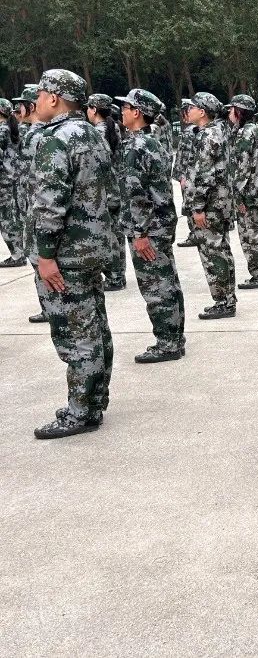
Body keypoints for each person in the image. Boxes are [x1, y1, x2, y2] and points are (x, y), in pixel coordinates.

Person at [30, 70, 115, 439]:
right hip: (92, 248)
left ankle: (81, 412)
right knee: (95, 327)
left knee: (76, 333)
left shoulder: (56, 139)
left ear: (53, 98)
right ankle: (94, 401)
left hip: (65, 253)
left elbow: (50, 205)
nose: (36, 101)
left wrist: (45, 255)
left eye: (40, 94)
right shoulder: (93, 134)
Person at [116, 88, 186, 363]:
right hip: (161, 223)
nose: (121, 112)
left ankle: (167, 343)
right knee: (168, 282)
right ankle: (175, 338)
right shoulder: (153, 142)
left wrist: (139, 232)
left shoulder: (136, 146)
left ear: (137, 113)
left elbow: (138, 195)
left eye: (126, 108)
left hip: (149, 228)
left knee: (156, 287)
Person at [185, 92, 237, 319]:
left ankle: (223, 301)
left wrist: (198, 208)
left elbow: (205, 175)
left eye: (192, 107)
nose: (188, 111)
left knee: (213, 253)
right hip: (220, 203)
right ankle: (228, 299)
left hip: (210, 205)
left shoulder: (208, 135)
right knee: (222, 250)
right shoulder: (218, 131)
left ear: (202, 112)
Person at [226, 94, 258, 289]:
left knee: (250, 236)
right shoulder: (252, 130)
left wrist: (238, 196)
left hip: (248, 193)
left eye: (232, 109)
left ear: (239, 111)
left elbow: (242, 168)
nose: (229, 113)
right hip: (254, 191)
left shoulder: (245, 133)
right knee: (257, 234)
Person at [13, 85, 49, 322]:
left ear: (31, 107)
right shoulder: (44, 132)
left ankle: (50, 308)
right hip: (37, 206)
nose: (18, 110)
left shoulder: (35, 135)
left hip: (36, 209)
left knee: (39, 260)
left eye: (21, 106)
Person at [87, 93, 127, 290]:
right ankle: (119, 274)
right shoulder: (114, 127)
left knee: (108, 235)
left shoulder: (97, 132)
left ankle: (114, 277)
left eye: (88, 107)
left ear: (94, 109)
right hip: (116, 187)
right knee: (116, 233)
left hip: (105, 190)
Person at [0, 97, 25, 267]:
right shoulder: (13, 128)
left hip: (3, 181)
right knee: (12, 218)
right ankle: (19, 253)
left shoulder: (2, 130)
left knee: (6, 220)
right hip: (14, 179)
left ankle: (17, 255)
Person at [174, 99, 199, 247]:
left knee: (189, 204)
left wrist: (184, 176)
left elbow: (189, 156)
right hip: (186, 174)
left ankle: (194, 234)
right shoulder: (191, 130)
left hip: (187, 176)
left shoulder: (191, 131)